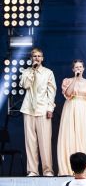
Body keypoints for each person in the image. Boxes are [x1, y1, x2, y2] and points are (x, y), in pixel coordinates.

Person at [57, 60, 86, 176]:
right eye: (76, 67)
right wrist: (75, 80)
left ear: (83, 69)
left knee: (84, 135)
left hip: (84, 109)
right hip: (70, 108)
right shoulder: (67, 81)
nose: (78, 69)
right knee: (70, 135)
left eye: (80, 67)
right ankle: (70, 166)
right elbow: (68, 94)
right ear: (73, 69)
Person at [19, 47, 56, 176]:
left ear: (43, 58)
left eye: (39, 56)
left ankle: (47, 170)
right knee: (30, 142)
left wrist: (50, 108)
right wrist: (32, 71)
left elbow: (51, 92)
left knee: (45, 142)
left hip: (42, 109)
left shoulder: (48, 73)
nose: (37, 58)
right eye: (35, 56)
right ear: (31, 58)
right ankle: (32, 171)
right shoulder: (26, 72)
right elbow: (25, 85)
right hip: (28, 109)